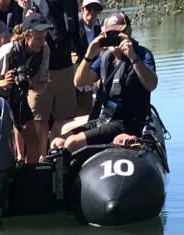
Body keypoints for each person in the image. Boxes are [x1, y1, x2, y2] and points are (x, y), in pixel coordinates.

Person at [52, 11, 157, 153]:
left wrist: (132, 56)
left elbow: (152, 84)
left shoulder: (143, 55)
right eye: (109, 35)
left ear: (129, 32)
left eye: (118, 34)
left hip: (126, 122)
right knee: (59, 137)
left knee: (71, 142)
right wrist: (89, 55)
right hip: (105, 119)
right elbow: (79, 82)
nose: (114, 39)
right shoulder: (105, 58)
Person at [0, 14, 51, 163]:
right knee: (4, 146)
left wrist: (30, 83)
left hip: (19, 99)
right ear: (27, 36)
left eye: (44, 37)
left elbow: (41, 87)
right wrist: (3, 82)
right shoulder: (7, 51)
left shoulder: (44, 50)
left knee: (34, 143)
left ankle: (30, 177)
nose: (42, 42)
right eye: (38, 38)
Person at [24, 0, 85, 144]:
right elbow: (26, 33)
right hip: (40, 69)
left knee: (66, 118)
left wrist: (81, 55)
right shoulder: (34, 2)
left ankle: (60, 157)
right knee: (39, 119)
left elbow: (76, 29)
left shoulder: (70, 2)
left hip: (66, 67)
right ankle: (41, 159)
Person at [76, 0, 103, 114]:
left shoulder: (99, 28)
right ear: (82, 9)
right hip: (76, 72)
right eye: (89, 8)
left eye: (95, 8)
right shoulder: (74, 27)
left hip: (91, 73)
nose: (92, 12)